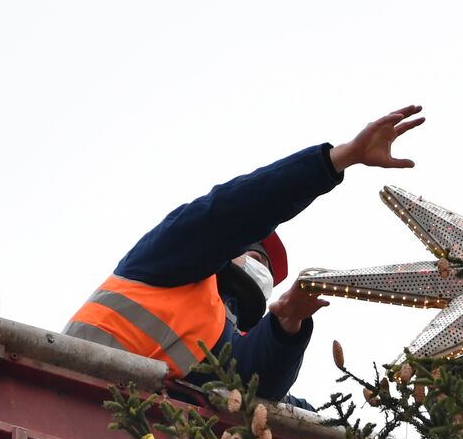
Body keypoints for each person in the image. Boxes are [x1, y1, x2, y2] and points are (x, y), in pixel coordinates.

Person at [64, 104, 425, 401]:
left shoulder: (219, 329)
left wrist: (287, 327)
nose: (260, 266)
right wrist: (338, 159)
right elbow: (239, 209)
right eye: (254, 252)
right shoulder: (168, 257)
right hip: (72, 389)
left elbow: (253, 386)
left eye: (267, 265)